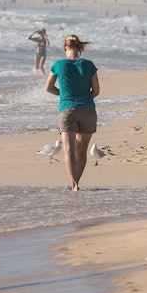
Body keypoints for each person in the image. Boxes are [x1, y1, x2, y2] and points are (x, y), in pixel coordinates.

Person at [45, 34, 100, 191]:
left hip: (68, 110)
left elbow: (48, 87)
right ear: (80, 48)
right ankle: (78, 182)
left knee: (69, 149)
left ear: (64, 48)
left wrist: (64, 95)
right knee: (81, 150)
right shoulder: (89, 65)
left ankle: (73, 184)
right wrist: (84, 98)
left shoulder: (58, 65)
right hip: (88, 110)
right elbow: (96, 91)